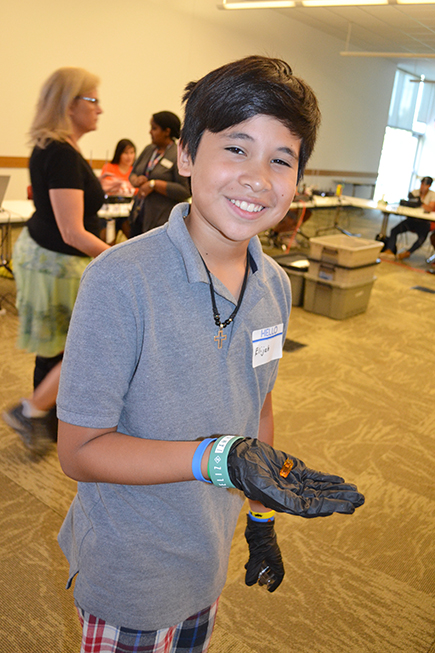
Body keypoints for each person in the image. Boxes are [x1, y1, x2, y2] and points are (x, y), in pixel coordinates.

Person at [56, 56, 365, 652]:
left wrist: (260, 515)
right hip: (133, 567)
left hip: (207, 555)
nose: (258, 177)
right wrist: (219, 459)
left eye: (282, 159)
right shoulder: (120, 281)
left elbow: (257, 405)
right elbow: (80, 451)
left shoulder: (274, 285)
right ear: (189, 157)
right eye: (237, 148)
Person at [2, 67, 110, 456]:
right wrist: (120, 257)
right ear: (70, 104)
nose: (100, 109)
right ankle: (31, 411)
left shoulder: (58, 146)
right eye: (93, 100)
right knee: (84, 346)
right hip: (56, 260)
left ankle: (43, 419)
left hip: (50, 255)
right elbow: (72, 232)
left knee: (56, 346)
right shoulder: (61, 153)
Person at [128, 111, 190, 237]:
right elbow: (133, 173)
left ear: (167, 132)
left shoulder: (178, 155)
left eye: (154, 128)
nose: (150, 132)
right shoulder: (148, 150)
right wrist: (136, 180)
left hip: (161, 223)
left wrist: (154, 185)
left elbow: (185, 191)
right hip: (139, 216)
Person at [383, 176, 435, 260]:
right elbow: (409, 204)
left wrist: (420, 203)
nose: (423, 186)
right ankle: (389, 250)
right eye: (422, 184)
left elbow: (430, 208)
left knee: (422, 238)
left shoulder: (432, 195)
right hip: (412, 220)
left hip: (424, 222)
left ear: (429, 186)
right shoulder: (415, 192)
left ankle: (408, 252)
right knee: (394, 230)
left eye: (426, 185)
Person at [99, 138, 136, 242]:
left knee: (132, 235)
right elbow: (104, 188)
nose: (129, 156)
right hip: (109, 212)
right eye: (125, 153)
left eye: (132, 153)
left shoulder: (136, 171)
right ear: (119, 153)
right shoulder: (109, 168)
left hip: (128, 213)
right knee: (107, 239)